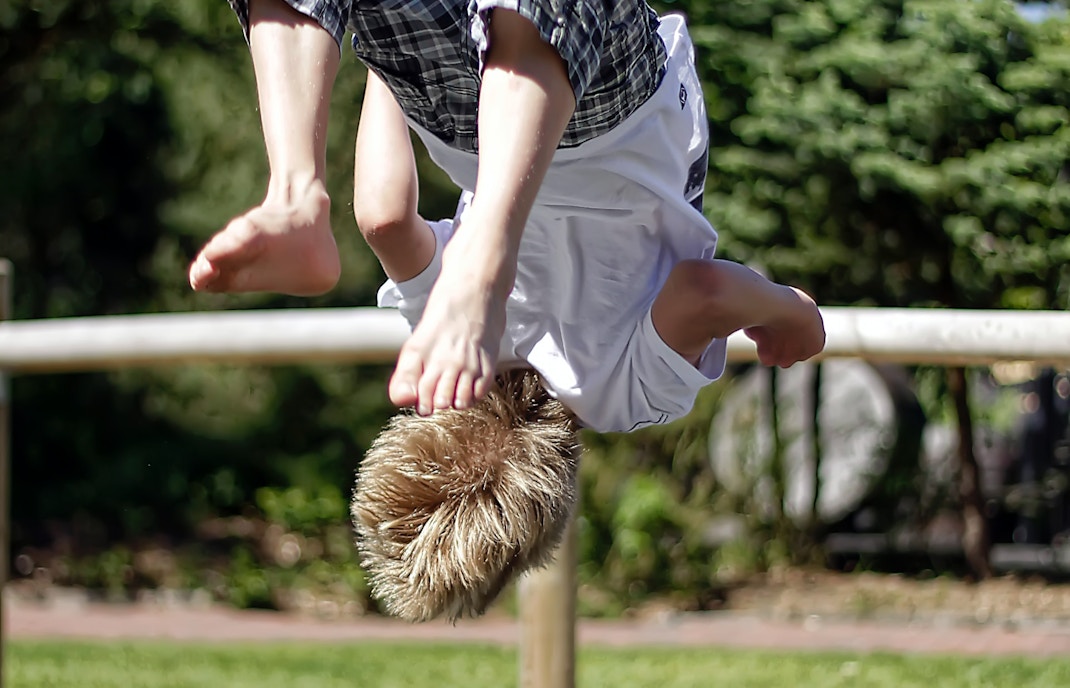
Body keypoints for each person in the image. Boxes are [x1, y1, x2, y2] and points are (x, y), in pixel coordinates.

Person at [206, 0, 826, 620]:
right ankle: (293, 184)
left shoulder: (621, 394)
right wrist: (389, 69)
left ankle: (480, 251)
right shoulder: (442, 338)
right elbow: (384, 218)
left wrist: (790, 312)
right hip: (465, 124)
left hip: (611, 108)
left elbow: (705, 293)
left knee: (537, 26)